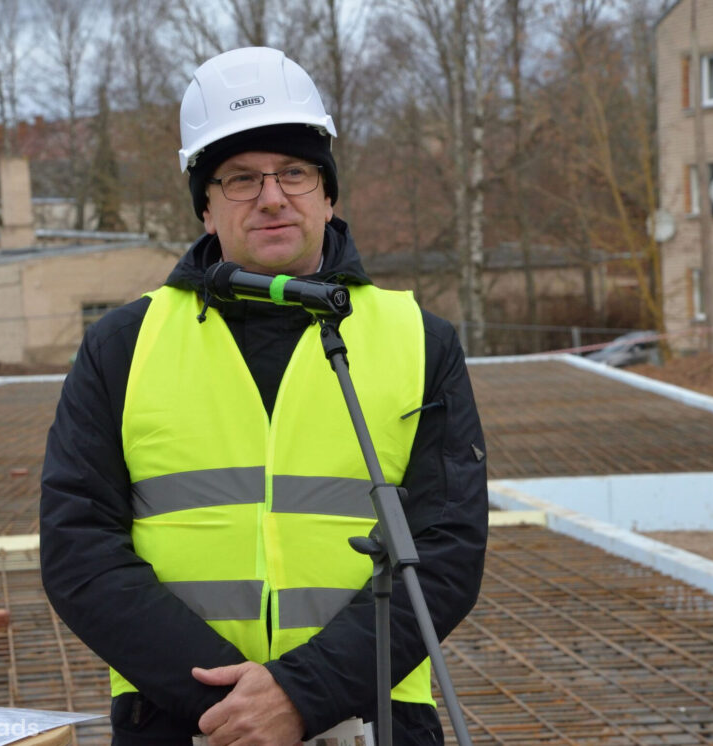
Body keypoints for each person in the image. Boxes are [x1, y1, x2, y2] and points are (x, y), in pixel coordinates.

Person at [41, 46, 488, 746]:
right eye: (241, 178)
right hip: (184, 722)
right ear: (206, 207)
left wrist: (303, 694)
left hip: (374, 719)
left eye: (295, 172)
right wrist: (235, 704)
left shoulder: (420, 340)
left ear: (328, 193)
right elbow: (79, 551)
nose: (273, 197)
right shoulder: (123, 346)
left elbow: (447, 550)